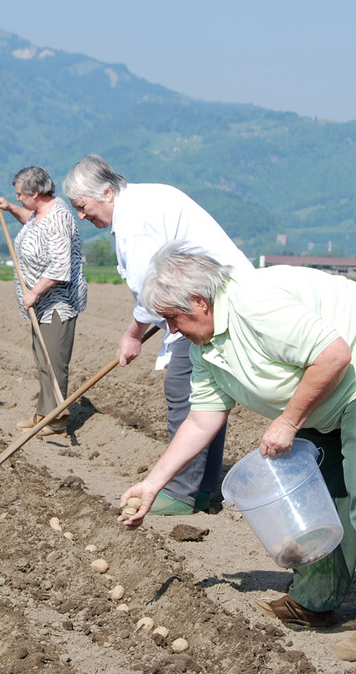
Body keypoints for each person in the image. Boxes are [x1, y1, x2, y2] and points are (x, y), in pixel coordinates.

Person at [119, 242, 356, 663]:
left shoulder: (256, 302)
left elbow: (334, 354)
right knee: (322, 488)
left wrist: (289, 421)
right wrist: (151, 484)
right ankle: (317, 602)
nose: (172, 330)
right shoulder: (205, 346)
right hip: (330, 384)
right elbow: (202, 419)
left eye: (172, 318)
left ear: (199, 302)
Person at [62, 154, 253, 515]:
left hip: (200, 306)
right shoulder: (142, 202)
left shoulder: (135, 223)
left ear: (106, 193)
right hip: (208, 301)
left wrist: (132, 334)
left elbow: (153, 291)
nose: (82, 216)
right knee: (203, 393)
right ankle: (202, 488)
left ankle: (181, 492)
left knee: (186, 391)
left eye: (82, 207)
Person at [0, 167, 88, 435]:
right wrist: (10, 207)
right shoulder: (40, 213)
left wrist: (34, 293)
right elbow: (32, 223)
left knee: (54, 360)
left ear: (35, 193)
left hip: (57, 302)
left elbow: (59, 267)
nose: (19, 198)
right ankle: (43, 414)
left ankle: (55, 419)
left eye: (20, 195)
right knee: (42, 358)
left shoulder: (58, 218)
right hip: (41, 304)